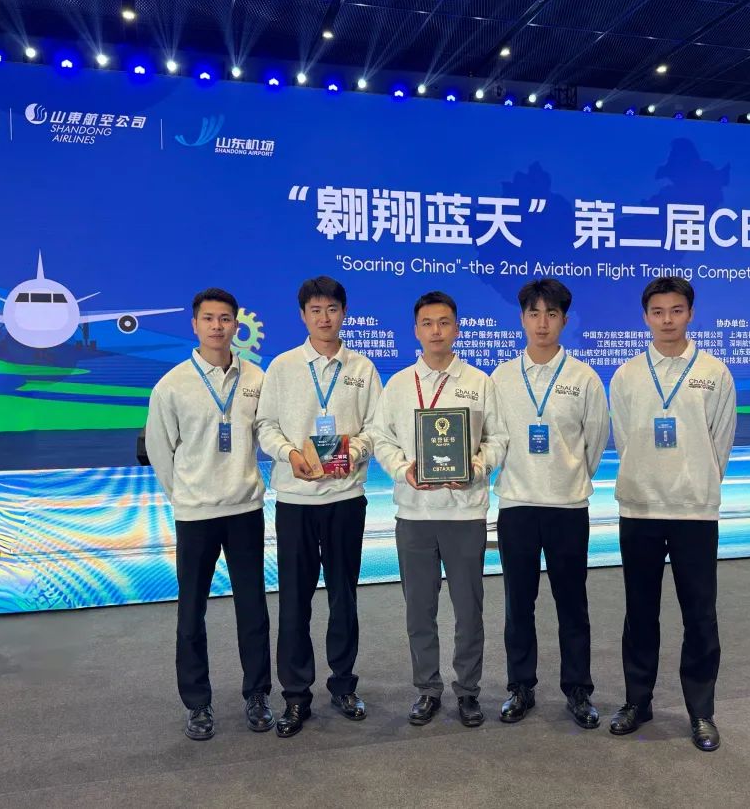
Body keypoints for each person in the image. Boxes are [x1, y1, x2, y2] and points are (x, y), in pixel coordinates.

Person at [606, 277, 737, 752]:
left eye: (676, 310)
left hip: (694, 511)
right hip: (640, 507)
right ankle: (637, 702)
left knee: (700, 615)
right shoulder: (627, 375)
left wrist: (696, 482)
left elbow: (720, 441)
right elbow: (625, 439)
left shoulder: (714, 372)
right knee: (640, 612)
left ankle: (701, 711)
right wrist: (648, 477)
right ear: (646, 317)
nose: (667, 320)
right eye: (658, 312)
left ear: (690, 314)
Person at [371, 290, 508, 728]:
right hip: (414, 514)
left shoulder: (479, 382)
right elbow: (380, 438)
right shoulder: (398, 384)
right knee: (419, 610)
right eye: (427, 323)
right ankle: (427, 689)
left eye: (444, 322)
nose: (436, 331)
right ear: (416, 330)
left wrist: (477, 466)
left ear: (457, 328)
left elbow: (498, 438)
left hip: (464, 513)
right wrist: (402, 470)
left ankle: (468, 691)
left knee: (468, 610)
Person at [256, 276, 382, 739]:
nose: (324, 318)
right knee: (294, 600)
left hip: (346, 500)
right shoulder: (283, 367)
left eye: (332, 309)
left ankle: (344, 685)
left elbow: (377, 427)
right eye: (315, 310)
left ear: (343, 313)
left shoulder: (362, 368)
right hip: (296, 501)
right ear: (303, 316)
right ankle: (295, 695)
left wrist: (351, 451)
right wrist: (290, 454)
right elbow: (265, 425)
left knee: (344, 596)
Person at [145, 287, 272, 741]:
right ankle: (197, 703)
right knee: (191, 611)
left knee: (253, 608)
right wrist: (185, 495)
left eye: (225, 319)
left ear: (236, 325)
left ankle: (258, 694)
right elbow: (160, 450)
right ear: (194, 325)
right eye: (209, 318)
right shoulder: (172, 384)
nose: (218, 326)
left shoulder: (256, 378)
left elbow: (267, 433)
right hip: (195, 513)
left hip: (245, 508)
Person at [490, 279, 610, 729]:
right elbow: (493, 438)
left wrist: (569, 477)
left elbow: (595, 441)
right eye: (534, 314)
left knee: (572, 603)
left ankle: (578, 690)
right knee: (518, 603)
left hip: (567, 507)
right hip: (517, 505)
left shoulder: (583, 378)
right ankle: (520, 687)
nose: (542, 323)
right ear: (522, 319)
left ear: (565, 320)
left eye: (552, 314)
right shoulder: (501, 378)